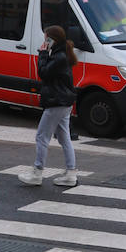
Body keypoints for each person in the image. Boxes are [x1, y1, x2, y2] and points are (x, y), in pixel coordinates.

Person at [19, 26, 79, 187]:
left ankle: (37, 173)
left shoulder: (58, 57)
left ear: (52, 40)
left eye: (46, 39)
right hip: (63, 102)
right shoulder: (62, 54)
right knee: (64, 137)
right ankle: (71, 173)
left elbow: (43, 73)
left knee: (41, 137)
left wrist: (43, 54)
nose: (44, 41)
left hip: (56, 102)